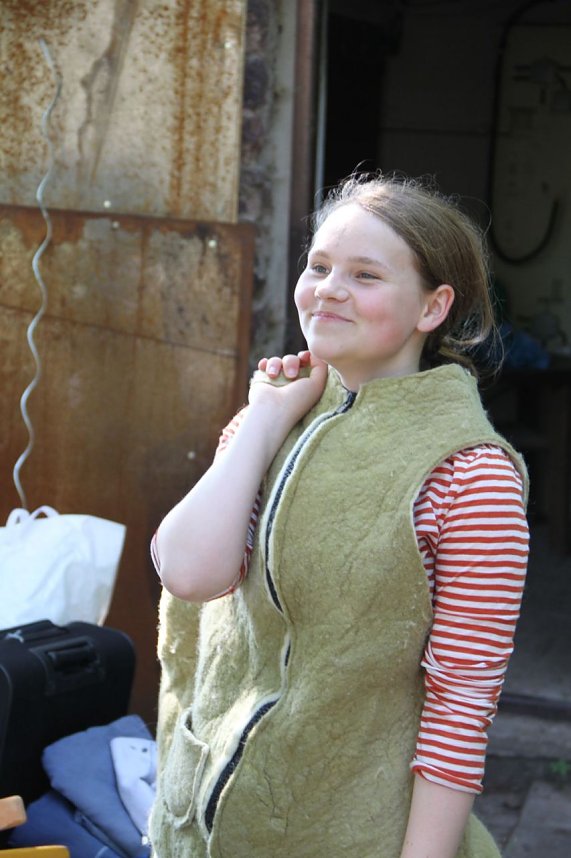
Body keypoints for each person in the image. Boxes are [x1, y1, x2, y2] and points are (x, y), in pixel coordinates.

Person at [148, 173, 529, 858]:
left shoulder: (470, 476)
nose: (327, 287)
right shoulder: (269, 419)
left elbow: (461, 706)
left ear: (431, 307)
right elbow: (187, 573)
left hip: (349, 835)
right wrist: (264, 418)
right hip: (199, 826)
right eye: (318, 265)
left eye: (364, 274)